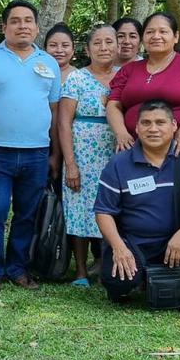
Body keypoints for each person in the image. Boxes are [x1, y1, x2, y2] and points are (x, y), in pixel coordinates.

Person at [0, 0, 62, 291]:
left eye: (28, 21)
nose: (22, 26)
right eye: (15, 21)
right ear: (4, 27)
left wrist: (55, 153)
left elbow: (56, 112)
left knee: (27, 214)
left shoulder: (48, 62)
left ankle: (18, 268)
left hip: (37, 153)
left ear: (36, 27)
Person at [94, 100, 180, 305]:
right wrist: (119, 247)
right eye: (146, 123)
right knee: (117, 282)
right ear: (136, 128)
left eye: (160, 122)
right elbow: (103, 211)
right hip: (135, 244)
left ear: (174, 126)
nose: (153, 129)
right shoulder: (119, 162)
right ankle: (140, 280)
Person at [107, 12, 180, 155]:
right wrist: (121, 133)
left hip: (177, 149)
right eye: (150, 32)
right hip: (131, 148)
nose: (156, 36)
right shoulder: (129, 69)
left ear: (176, 36)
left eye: (163, 31)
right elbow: (113, 104)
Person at [58, 24, 118, 286]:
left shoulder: (124, 77)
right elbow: (63, 122)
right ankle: (81, 271)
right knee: (79, 208)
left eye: (109, 42)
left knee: (112, 209)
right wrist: (70, 163)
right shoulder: (76, 78)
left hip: (114, 153)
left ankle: (109, 266)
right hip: (82, 153)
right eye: (97, 43)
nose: (103, 48)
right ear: (87, 49)